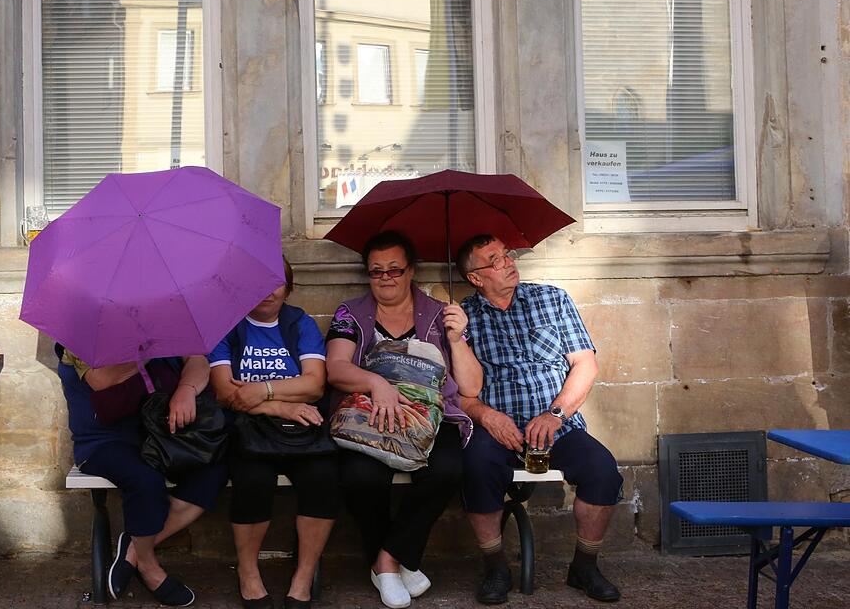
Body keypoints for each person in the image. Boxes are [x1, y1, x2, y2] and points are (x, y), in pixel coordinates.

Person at [455, 234, 623, 604]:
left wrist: (555, 413)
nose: (509, 262)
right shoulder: (462, 318)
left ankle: (585, 566)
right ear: (476, 278)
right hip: (497, 427)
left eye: (507, 254)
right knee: (475, 466)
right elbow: (458, 395)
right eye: (494, 260)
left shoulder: (552, 299)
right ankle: (495, 567)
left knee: (602, 470)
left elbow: (585, 363)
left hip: (556, 425)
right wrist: (488, 417)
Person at [325, 231, 482, 609]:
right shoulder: (351, 314)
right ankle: (396, 563)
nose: (385, 279)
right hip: (367, 413)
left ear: (411, 271)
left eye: (394, 270)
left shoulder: (439, 313)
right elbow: (335, 368)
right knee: (361, 476)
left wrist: (458, 339)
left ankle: (386, 561)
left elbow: (471, 386)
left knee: (446, 470)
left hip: (429, 418)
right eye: (376, 272)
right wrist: (376, 382)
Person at [209, 258, 339, 609]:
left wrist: (261, 389)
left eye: (276, 282)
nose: (267, 291)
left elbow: (314, 385)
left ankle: (304, 574)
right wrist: (281, 404)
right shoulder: (227, 326)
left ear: (288, 286)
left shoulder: (300, 324)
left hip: (301, 426)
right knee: (252, 480)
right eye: (257, 282)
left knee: (324, 478)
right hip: (249, 429)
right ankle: (248, 572)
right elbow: (225, 392)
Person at [57, 348, 227, 607]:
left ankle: (135, 549)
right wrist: (148, 346)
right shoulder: (78, 335)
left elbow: (198, 361)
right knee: (145, 480)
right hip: (103, 441)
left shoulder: (164, 320)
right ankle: (150, 569)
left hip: (160, 435)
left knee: (212, 471)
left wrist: (187, 389)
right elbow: (102, 380)